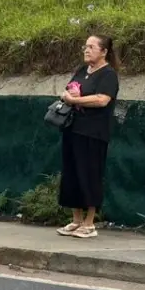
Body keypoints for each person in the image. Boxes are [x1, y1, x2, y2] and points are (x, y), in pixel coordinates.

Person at [57, 34, 120, 239]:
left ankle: (89, 223)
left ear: (104, 52)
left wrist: (77, 100)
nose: (86, 50)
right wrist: (67, 96)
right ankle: (76, 220)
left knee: (89, 174)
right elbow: (69, 90)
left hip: (93, 133)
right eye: (85, 46)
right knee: (72, 173)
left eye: (92, 47)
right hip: (72, 129)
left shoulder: (108, 75)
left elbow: (102, 100)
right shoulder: (82, 70)